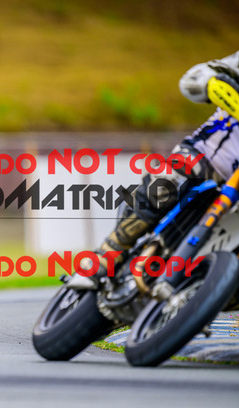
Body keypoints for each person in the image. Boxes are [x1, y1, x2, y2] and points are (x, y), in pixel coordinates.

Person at [84, 50, 239, 285]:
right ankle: (109, 251)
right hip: (208, 155)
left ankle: (207, 293)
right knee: (166, 183)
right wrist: (210, 82)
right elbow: (194, 78)